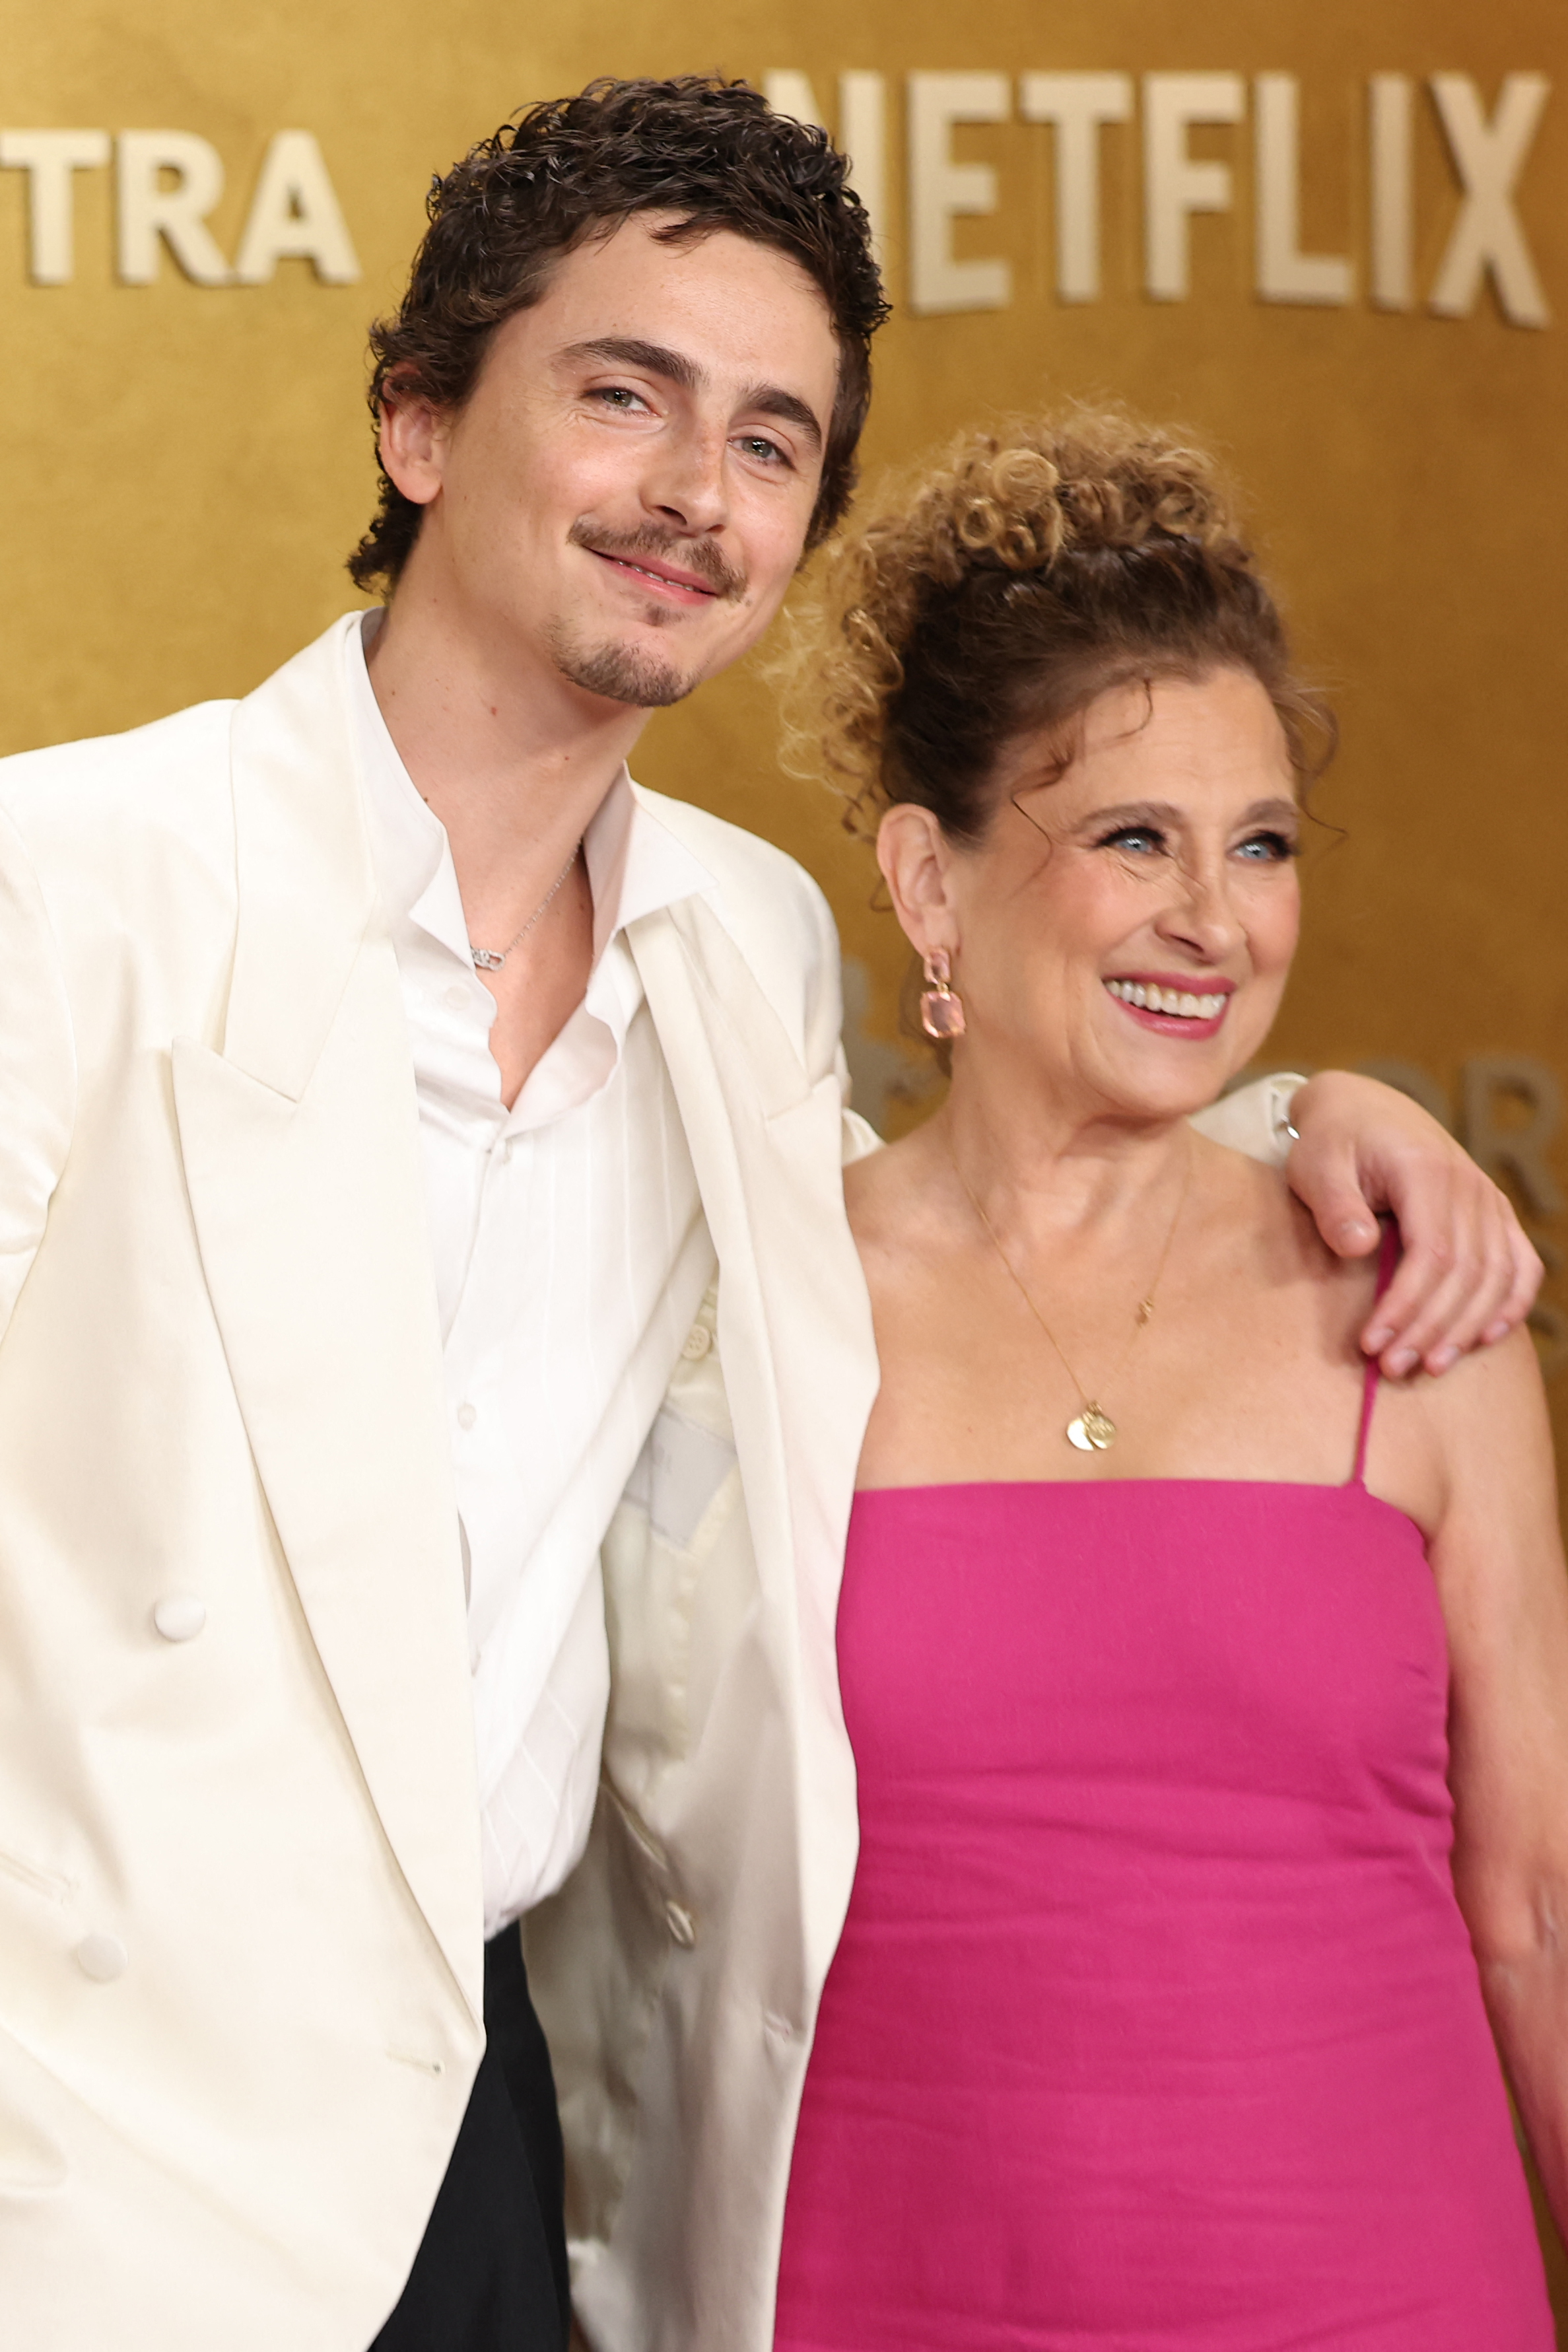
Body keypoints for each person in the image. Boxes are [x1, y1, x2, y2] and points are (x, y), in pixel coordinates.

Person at [0, 76, 1535, 2352]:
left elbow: (1010, 1169)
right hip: (103, 2159)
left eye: (769, 439)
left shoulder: (734, 951)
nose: (693, 493)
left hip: (495, 2155)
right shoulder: (70, 890)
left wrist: (1316, 1108)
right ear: (419, 418)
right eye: (624, 395)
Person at [760, 415, 1568, 2349]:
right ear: (927, 883)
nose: (1220, 918)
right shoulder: (765, 1312)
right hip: (874, 2301)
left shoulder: (1416, 1304)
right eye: (1135, 837)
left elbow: (1537, 1897)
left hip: (1393, 2304)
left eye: (1261, 844)